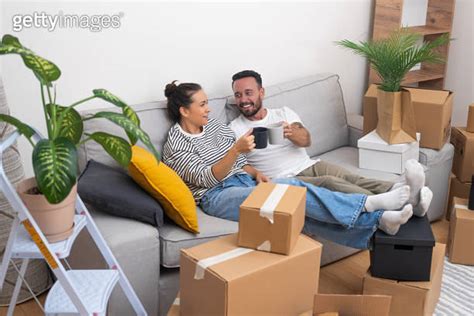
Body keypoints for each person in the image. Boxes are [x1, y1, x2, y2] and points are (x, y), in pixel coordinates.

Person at [162, 81, 415, 250]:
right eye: (202, 104)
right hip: (217, 196)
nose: (209, 108)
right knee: (291, 189)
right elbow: (207, 178)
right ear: (185, 111)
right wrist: (236, 149)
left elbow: (240, 163)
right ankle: (369, 204)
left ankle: (379, 225)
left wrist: (256, 172)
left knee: (298, 213)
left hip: (244, 182)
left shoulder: (213, 127)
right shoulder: (176, 144)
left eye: (207, 102)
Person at [228, 70, 433, 216]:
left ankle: (404, 191)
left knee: (353, 177)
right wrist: (249, 162)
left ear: (261, 92)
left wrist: (291, 133)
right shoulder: (234, 128)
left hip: (309, 164)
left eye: (249, 93)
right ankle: (394, 204)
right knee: (331, 183)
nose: (244, 100)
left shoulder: (283, 113)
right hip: (283, 177)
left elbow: (306, 139)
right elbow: (234, 163)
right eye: (238, 95)